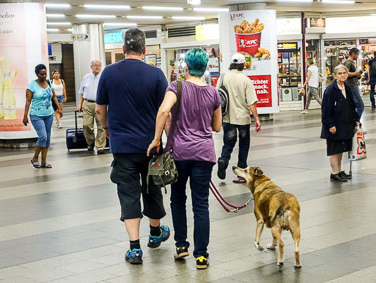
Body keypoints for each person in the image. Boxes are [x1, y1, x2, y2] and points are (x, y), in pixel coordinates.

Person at [95, 28, 170, 265]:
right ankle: (156, 233)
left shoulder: (108, 73)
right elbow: (165, 112)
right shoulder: (157, 74)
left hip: (122, 147)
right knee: (152, 188)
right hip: (151, 145)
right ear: (144, 49)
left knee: (128, 194)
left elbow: (99, 109)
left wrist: (107, 130)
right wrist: (165, 139)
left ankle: (134, 248)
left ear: (123, 50)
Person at [147, 48, 222, 270]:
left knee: (178, 200)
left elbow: (163, 111)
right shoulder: (213, 93)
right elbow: (217, 126)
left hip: (179, 154)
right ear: (205, 68)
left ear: (186, 67)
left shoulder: (176, 87)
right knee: (201, 204)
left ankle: (181, 246)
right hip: (204, 154)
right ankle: (201, 256)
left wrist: (155, 140)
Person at [216, 53, 261, 183]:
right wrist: (257, 119)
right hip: (243, 118)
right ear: (242, 65)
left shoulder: (223, 77)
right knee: (243, 144)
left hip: (228, 117)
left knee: (228, 143)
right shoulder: (245, 80)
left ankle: (223, 160)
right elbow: (251, 102)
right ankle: (241, 173)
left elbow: (216, 95)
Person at [321, 65, 359, 182]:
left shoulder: (346, 86)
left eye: (344, 73)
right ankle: (334, 173)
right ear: (335, 75)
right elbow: (325, 110)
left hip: (345, 124)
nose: (342, 75)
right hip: (334, 125)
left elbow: (352, 104)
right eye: (340, 73)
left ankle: (339, 171)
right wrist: (330, 125)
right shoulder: (330, 90)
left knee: (340, 148)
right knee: (334, 149)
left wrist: (356, 118)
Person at [23, 64, 62, 168]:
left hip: (49, 114)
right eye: (42, 74)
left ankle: (44, 162)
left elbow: (53, 97)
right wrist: (25, 116)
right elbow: (28, 101)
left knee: (47, 139)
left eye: (45, 74)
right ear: (37, 74)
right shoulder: (32, 85)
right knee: (43, 136)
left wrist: (59, 108)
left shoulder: (49, 82)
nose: (44, 76)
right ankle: (35, 158)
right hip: (36, 115)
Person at [77, 60, 106, 154]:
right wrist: (80, 105)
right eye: (95, 65)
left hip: (100, 103)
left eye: (99, 65)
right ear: (91, 67)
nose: (97, 67)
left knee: (101, 126)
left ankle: (100, 146)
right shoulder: (86, 77)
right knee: (87, 125)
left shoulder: (103, 77)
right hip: (88, 103)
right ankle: (90, 142)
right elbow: (81, 92)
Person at [344, 47, 365, 120]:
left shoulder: (352, 62)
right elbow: (345, 73)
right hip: (351, 86)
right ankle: (356, 122)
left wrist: (358, 74)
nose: (358, 56)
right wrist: (355, 73)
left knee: (354, 105)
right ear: (353, 54)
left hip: (353, 85)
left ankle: (355, 122)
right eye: (357, 55)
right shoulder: (348, 62)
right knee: (360, 105)